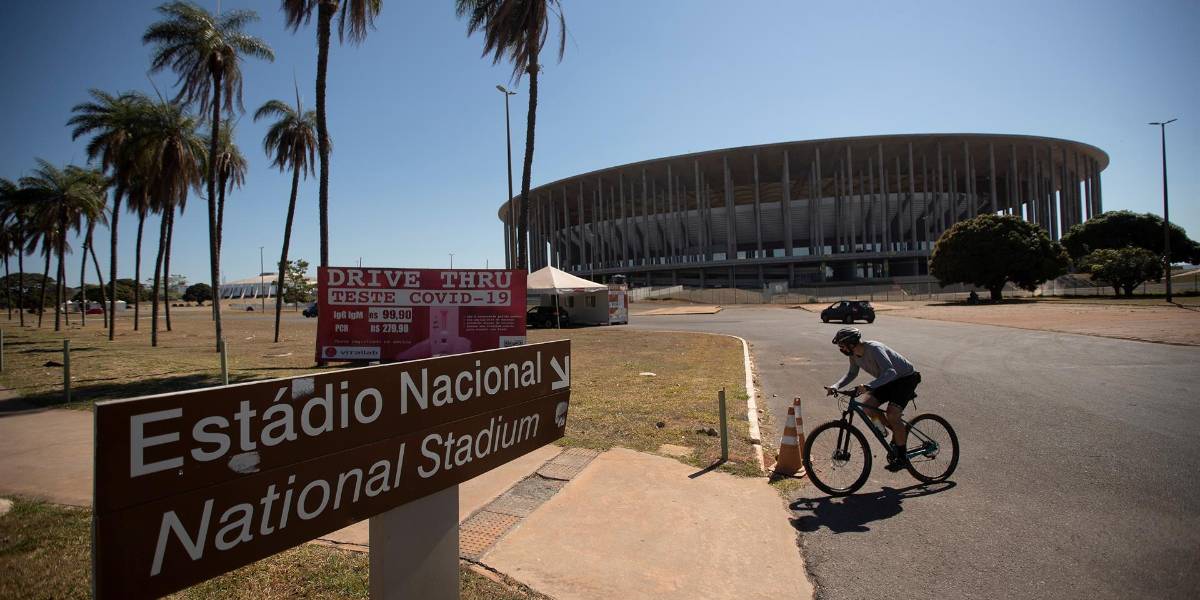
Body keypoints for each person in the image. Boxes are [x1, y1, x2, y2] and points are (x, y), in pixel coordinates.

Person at [824, 327, 922, 471]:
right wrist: (836, 386)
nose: (841, 349)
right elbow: (852, 373)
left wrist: (868, 386)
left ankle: (902, 457)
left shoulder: (874, 349)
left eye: (842, 345)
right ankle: (895, 431)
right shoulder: (854, 355)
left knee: (892, 414)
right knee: (867, 406)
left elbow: (891, 371)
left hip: (905, 379)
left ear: (851, 343)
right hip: (888, 380)